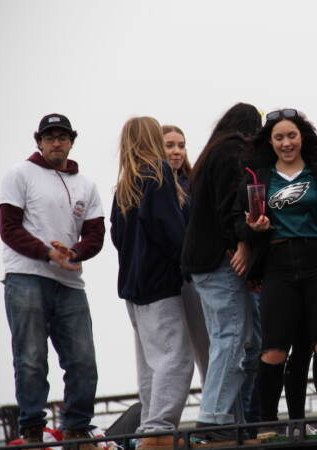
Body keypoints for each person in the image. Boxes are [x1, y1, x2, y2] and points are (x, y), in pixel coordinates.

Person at [240, 108, 317, 437]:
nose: (286, 143)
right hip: (278, 263)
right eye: (279, 137)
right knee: (274, 349)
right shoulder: (258, 175)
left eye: (291, 136)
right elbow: (243, 227)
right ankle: (267, 423)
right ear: (270, 141)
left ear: (303, 137)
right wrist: (254, 227)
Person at [0, 113, 104, 445]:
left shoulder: (86, 184)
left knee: (83, 361)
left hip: (70, 283)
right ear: (39, 141)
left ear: (72, 140)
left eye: (62, 136)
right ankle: (32, 430)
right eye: (49, 137)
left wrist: (74, 254)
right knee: (30, 358)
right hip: (26, 276)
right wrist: (48, 253)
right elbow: (9, 229)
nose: (56, 142)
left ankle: (76, 427)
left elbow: (96, 234)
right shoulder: (19, 174)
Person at [181, 103, 262, 443]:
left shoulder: (211, 154)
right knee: (233, 339)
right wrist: (240, 244)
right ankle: (213, 418)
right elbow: (230, 206)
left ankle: (231, 418)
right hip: (219, 260)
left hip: (204, 262)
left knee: (235, 339)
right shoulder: (233, 152)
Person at [110, 116, 194, 449]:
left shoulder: (125, 183)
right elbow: (170, 230)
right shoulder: (157, 174)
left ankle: (148, 426)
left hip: (132, 284)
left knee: (149, 362)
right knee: (175, 357)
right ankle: (158, 429)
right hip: (160, 282)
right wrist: (189, 260)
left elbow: (117, 236)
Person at [161, 125, 210, 386]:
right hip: (165, 280)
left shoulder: (192, 184)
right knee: (172, 354)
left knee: (206, 346)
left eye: (181, 145)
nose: (177, 151)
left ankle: (213, 409)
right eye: (170, 145)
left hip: (194, 276)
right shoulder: (152, 186)